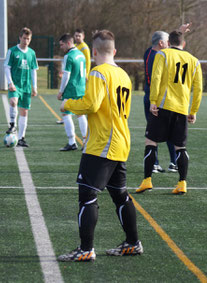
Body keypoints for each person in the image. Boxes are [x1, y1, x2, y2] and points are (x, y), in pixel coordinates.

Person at [58, 30, 142, 262]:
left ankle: (86, 249)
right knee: (120, 195)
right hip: (121, 142)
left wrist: (69, 104)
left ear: (93, 52)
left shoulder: (97, 73)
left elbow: (91, 104)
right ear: (114, 51)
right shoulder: (124, 75)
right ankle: (133, 243)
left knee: (87, 194)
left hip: (102, 144)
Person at [137, 31, 203, 195]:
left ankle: (147, 180)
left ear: (169, 42)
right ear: (184, 44)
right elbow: (199, 89)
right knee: (180, 146)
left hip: (162, 106)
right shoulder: (194, 61)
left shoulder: (163, 55)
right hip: (181, 109)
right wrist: (193, 110)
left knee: (151, 141)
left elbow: (156, 78)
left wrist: (153, 101)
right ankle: (182, 183)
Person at [142, 31, 178, 174]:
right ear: (161, 43)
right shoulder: (160, 56)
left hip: (151, 98)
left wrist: (179, 32)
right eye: (167, 41)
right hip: (157, 99)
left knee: (154, 133)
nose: (169, 44)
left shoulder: (148, 52)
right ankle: (172, 162)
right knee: (167, 131)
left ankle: (156, 163)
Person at [4, 27, 38, 147]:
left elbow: (34, 70)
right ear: (20, 38)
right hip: (15, 84)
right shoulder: (12, 51)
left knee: (24, 112)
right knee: (13, 101)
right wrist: (10, 82)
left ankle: (21, 138)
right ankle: (13, 124)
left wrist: (35, 87)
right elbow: (7, 67)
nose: (26, 41)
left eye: (28, 39)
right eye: (24, 38)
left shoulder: (32, 53)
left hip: (26, 86)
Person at [57, 33, 88, 151]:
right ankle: (85, 141)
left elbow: (66, 75)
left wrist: (61, 91)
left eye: (62, 44)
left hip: (71, 89)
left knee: (65, 112)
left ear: (68, 43)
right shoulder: (81, 54)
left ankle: (72, 142)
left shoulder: (68, 56)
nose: (61, 47)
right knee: (80, 114)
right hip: (81, 88)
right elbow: (84, 73)